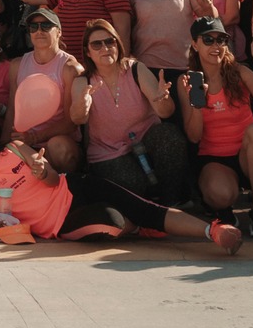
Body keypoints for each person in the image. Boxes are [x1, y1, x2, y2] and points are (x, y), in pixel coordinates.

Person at [0, 114, 242, 253]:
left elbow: (54, 178)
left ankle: (213, 230)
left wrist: (43, 171)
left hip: (73, 186)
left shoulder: (16, 148)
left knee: (143, 206)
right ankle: (139, 227)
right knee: (112, 222)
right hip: (60, 222)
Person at [179, 16, 253, 238]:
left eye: (221, 40)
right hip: (214, 159)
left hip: (248, 155)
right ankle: (224, 211)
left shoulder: (239, 71)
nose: (216, 46)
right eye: (208, 40)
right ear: (195, 45)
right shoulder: (188, 80)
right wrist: (198, 102)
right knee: (220, 194)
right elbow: (194, 137)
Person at [69, 17, 185, 204]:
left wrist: (163, 98)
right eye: (97, 45)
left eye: (110, 41)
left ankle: (171, 203)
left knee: (170, 136)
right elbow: (78, 118)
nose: (105, 48)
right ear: (87, 52)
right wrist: (83, 101)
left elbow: (165, 113)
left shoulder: (136, 69)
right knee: (132, 185)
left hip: (146, 140)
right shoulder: (82, 81)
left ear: (118, 44)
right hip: (107, 151)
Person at [10, 8, 84, 172]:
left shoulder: (70, 68)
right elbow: (12, 111)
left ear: (58, 32)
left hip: (57, 141)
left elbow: (70, 122)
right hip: (26, 141)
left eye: (45, 26)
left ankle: (71, 189)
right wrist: (4, 144)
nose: (39, 31)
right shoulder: (17, 65)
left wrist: (34, 137)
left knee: (60, 149)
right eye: (34, 27)